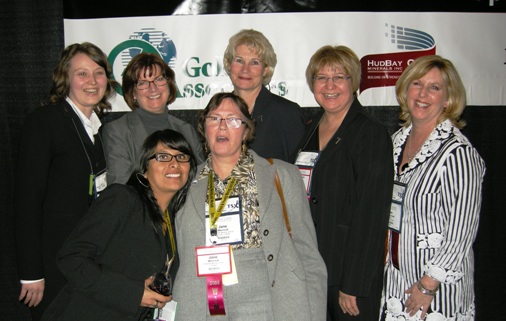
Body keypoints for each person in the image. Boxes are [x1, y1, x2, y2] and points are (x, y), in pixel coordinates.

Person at [172, 92, 327, 320]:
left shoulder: (282, 176)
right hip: (205, 301)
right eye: (214, 119)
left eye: (233, 120)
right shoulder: (184, 181)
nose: (222, 127)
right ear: (204, 129)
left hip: (267, 300)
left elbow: (309, 256)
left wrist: (314, 313)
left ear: (246, 131)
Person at [41, 129, 197, 321]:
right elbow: (71, 257)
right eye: (163, 157)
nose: (174, 163)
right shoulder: (122, 198)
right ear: (144, 169)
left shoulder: (175, 220)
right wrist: (133, 294)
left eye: (181, 156)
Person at [13, 42, 118, 320]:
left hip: (87, 263)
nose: (92, 82)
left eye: (98, 73)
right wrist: (31, 273)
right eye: (82, 73)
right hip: (54, 264)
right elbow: (27, 202)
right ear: (65, 78)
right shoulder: (44, 122)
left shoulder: (97, 128)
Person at [380, 55, 486, 321]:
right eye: (417, 84)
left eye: (434, 87)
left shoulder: (457, 153)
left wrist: (427, 286)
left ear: (448, 99)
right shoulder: (395, 143)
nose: (423, 93)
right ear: (405, 90)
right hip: (396, 283)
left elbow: (461, 231)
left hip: (435, 292)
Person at [293, 45, 394, 320]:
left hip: (348, 275)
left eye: (340, 77)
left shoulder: (369, 132)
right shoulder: (311, 128)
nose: (330, 86)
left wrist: (354, 284)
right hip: (313, 267)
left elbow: (371, 214)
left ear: (354, 82)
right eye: (321, 78)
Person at [103, 52, 205, 185]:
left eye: (158, 79)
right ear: (133, 93)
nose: (153, 88)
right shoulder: (116, 132)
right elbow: (121, 186)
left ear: (169, 85)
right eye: (143, 83)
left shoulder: (186, 130)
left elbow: (201, 180)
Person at [223, 29, 305, 161]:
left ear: (265, 70)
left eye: (254, 62)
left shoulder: (287, 113)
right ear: (228, 65)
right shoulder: (217, 112)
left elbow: (299, 171)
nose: (245, 69)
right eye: (239, 60)